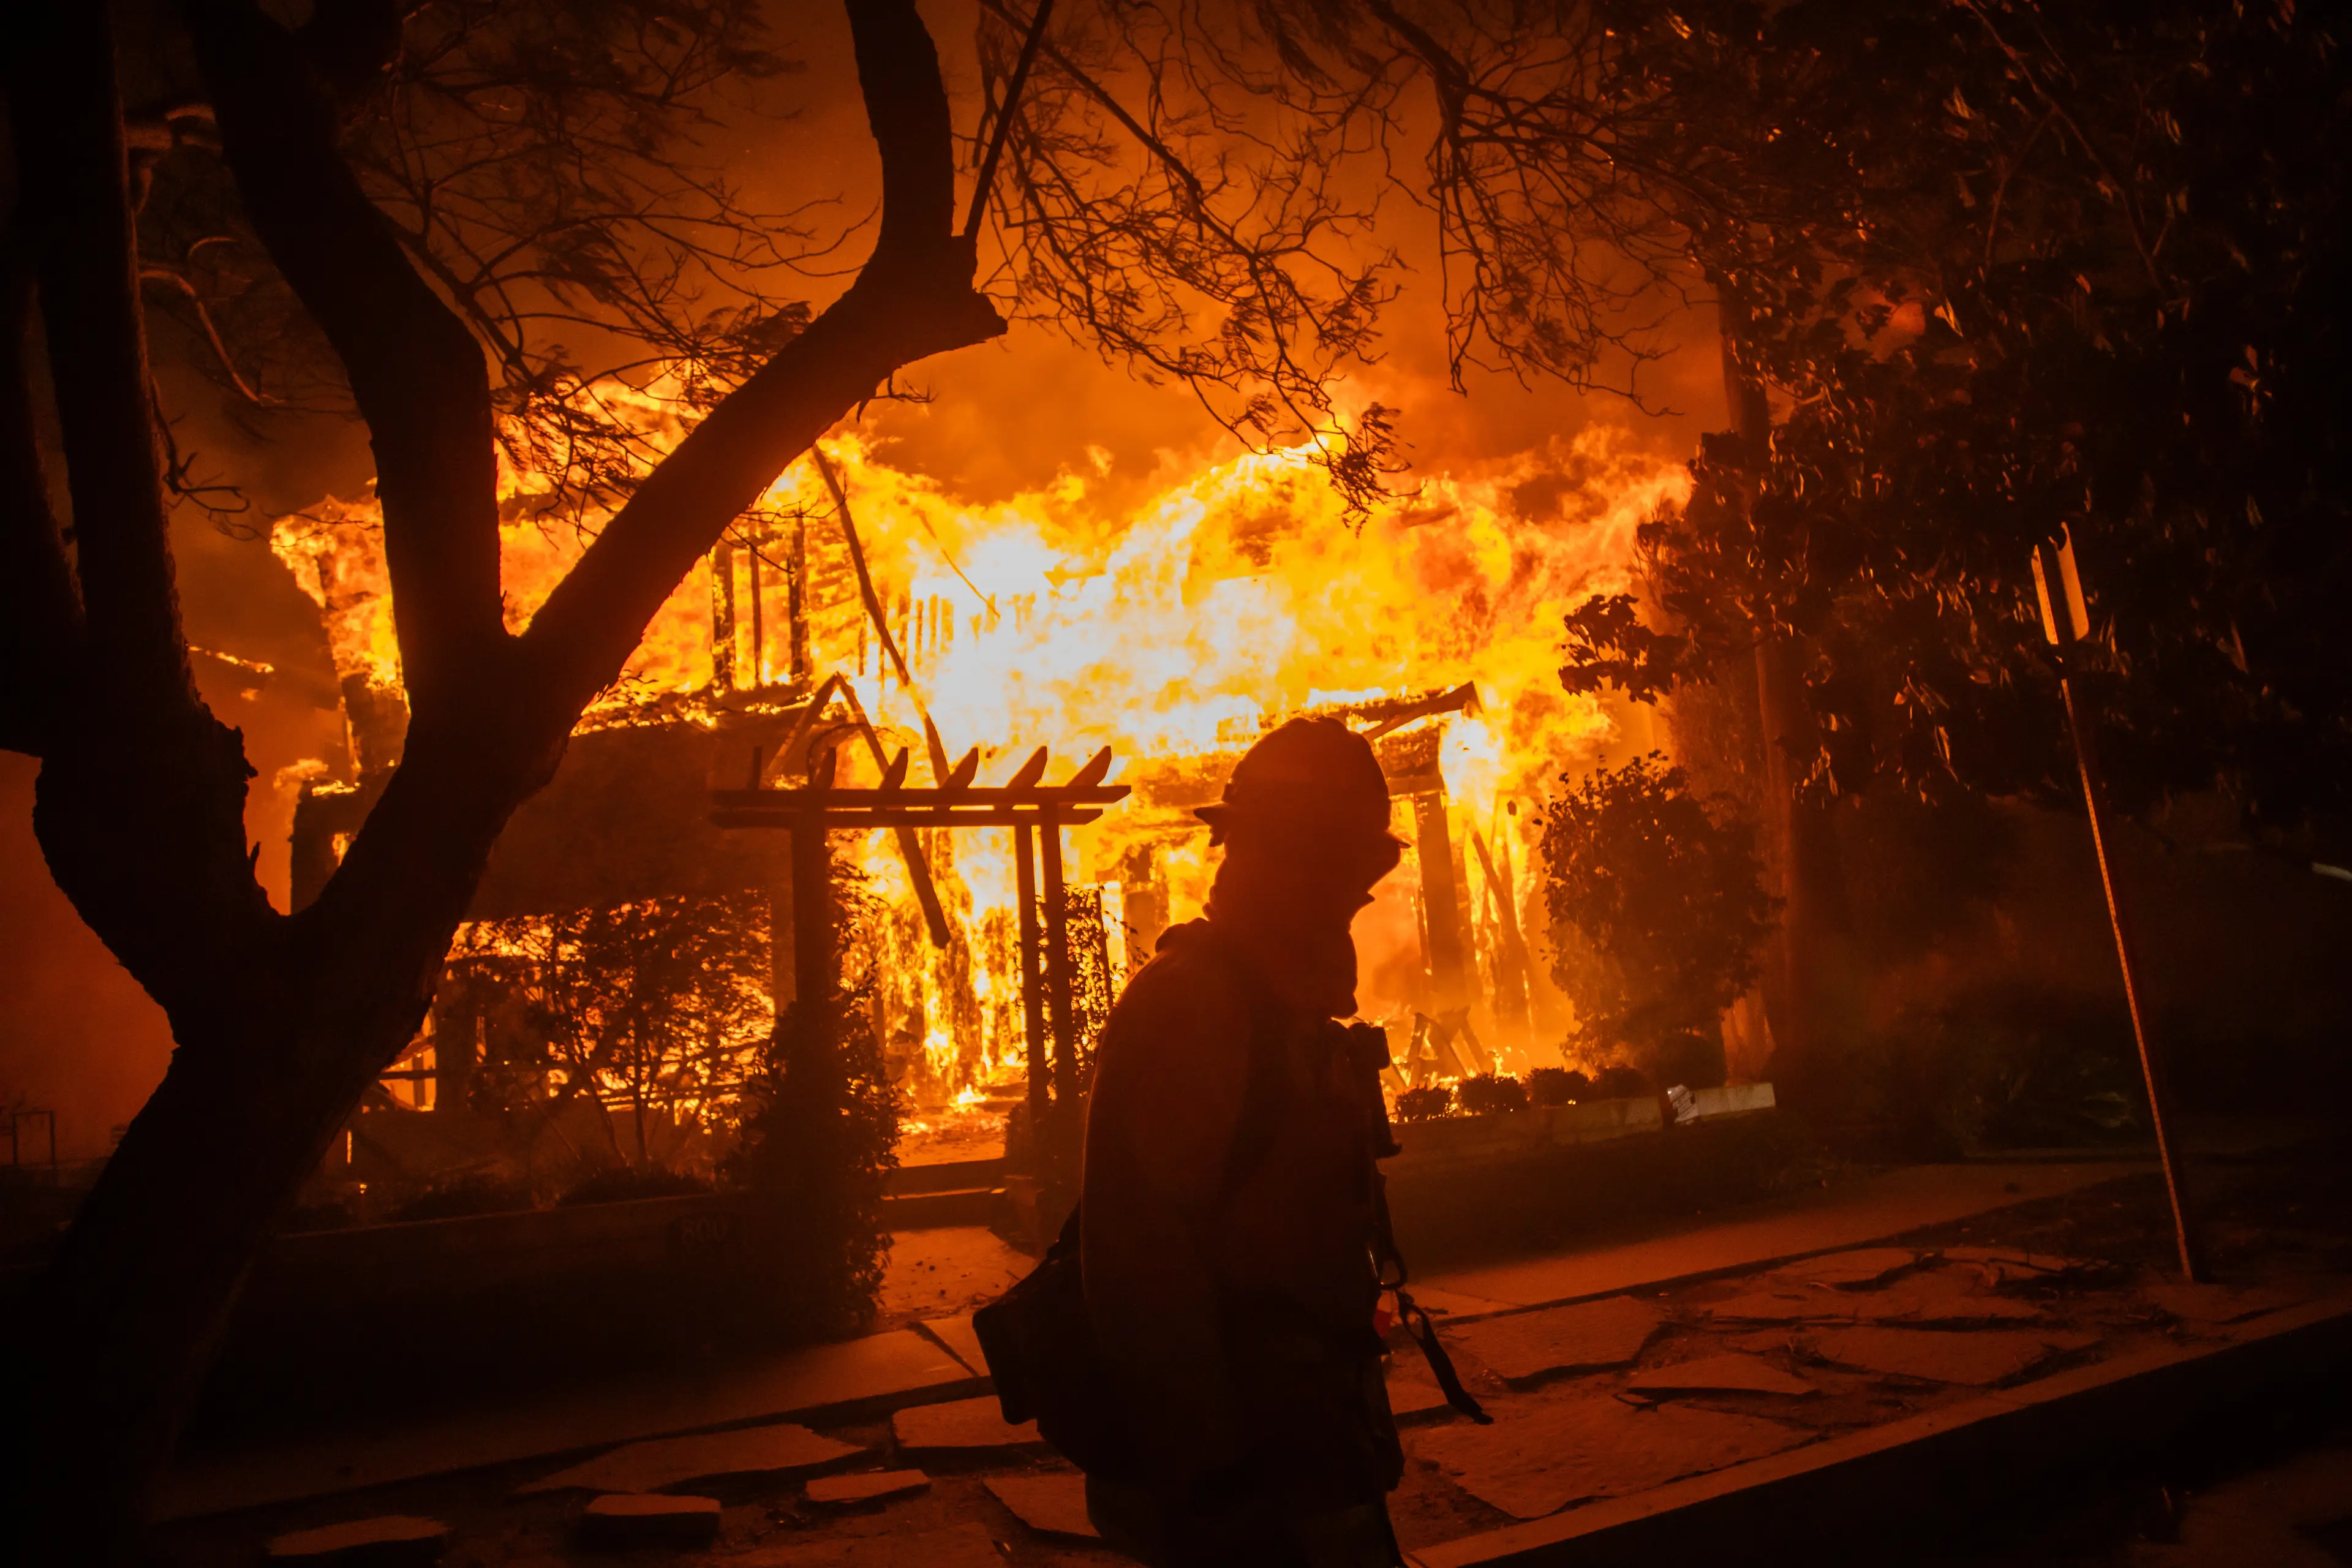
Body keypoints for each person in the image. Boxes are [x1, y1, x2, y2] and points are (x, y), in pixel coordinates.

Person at [1080, 716, 1407, 1567]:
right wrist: (1216, 1479)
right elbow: (1139, 1271)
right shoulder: (1194, 1011)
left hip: (1310, 1452)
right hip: (1241, 1486)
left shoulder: (1282, 1010)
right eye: (1342, 870)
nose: (1357, 896)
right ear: (1282, 862)